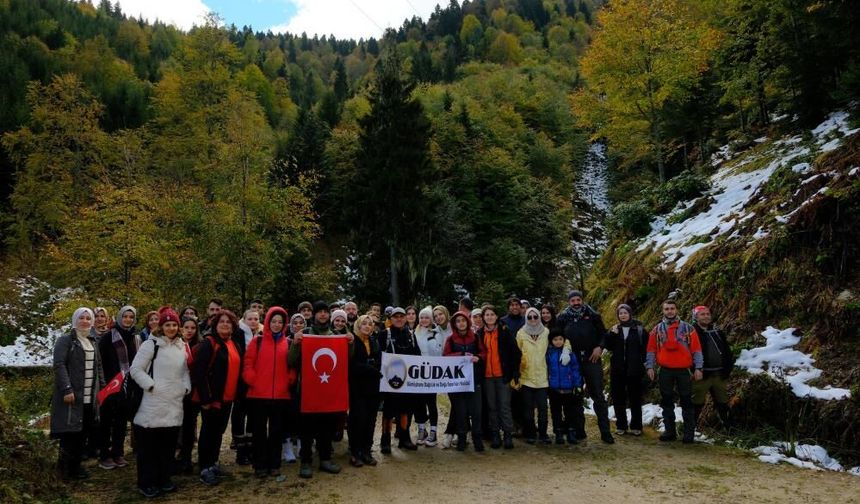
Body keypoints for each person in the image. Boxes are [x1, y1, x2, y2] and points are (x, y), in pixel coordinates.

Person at [130, 308, 190, 498]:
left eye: (174, 324)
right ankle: (146, 482)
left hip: (174, 404)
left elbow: (185, 371)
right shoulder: (151, 345)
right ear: (161, 327)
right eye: (167, 325)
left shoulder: (182, 346)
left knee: (168, 447)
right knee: (149, 449)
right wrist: (151, 386)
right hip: (152, 405)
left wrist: (185, 388)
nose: (171, 328)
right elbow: (136, 369)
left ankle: (164, 479)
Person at [290, 301, 350, 478]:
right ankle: (306, 461)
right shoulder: (305, 334)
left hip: (328, 392)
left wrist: (350, 343)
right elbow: (292, 361)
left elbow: (347, 360)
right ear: (314, 315)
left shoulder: (336, 335)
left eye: (325, 312)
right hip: (308, 391)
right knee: (306, 429)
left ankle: (325, 458)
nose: (323, 315)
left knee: (327, 427)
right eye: (319, 312)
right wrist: (295, 343)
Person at [51, 308, 104, 481]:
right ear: (75, 320)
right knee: (69, 433)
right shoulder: (66, 340)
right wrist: (67, 388)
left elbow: (98, 367)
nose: (85, 321)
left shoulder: (93, 341)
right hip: (73, 395)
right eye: (81, 318)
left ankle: (76, 468)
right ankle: (64, 469)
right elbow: (59, 365)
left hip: (90, 395)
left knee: (83, 432)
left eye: (88, 318)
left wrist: (102, 389)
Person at [556, 290, 614, 444]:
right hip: (573, 360)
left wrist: (600, 347)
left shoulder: (593, 315)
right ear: (569, 302)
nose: (576, 303)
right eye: (573, 300)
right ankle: (579, 430)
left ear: (582, 300)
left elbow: (604, 334)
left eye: (578, 300)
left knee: (598, 395)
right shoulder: (562, 318)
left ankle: (605, 432)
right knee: (576, 395)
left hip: (592, 358)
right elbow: (557, 336)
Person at [193, 310, 244, 485]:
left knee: (219, 432)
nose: (225, 324)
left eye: (228, 322)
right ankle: (205, 467)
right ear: (215, 324)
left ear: (233, 326)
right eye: (221, 321)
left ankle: (213, 463)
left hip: (227, 398)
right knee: (208, 432)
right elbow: (199, 373)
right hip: (211, 399)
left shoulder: (235, 344)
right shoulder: (209, 343)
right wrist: (205, 399)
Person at [243, 307, 293, 479]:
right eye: (274, 321)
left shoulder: (288, 343)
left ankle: (274, 464)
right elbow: (248, 363)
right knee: (259, 432)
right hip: (258, 395)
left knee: (276, 432)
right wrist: (252, 380)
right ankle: (260, 464)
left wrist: (289, 380)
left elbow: (292, 366)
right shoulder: (257, 341)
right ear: (268, 322)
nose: (277, 325)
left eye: (280, 322)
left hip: (280, 395)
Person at [646, 299, 703, 443]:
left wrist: (698, 367)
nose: (669, 311)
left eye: (672, 308)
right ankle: (669, 431)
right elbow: (651, 349)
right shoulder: (657, 329)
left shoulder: (688, 328)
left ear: (676, 310)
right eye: (666, 309)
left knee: (686, 401)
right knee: (666, 401)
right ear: (663, 311)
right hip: (665, 370)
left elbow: (696, 349)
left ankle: (689, 433)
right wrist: (650, 366)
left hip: (684, 370)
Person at [97, 305, 139, 470]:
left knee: (121, 421)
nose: (128, 320)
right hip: (111, 384)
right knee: (107, 421)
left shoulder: (134, 337)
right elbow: (101, 361)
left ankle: (118, 452)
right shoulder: (108, 337)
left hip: (128, 385)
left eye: (131, 317)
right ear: (120, 317)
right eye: (125, 316)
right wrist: (105, 383)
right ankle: (104, 455)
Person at [476, 305, 520, 449]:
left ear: (496, 316)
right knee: (491, 406)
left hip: (503, 375)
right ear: (483, 317)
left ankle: (508, 433)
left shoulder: (504, 331)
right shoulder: (480, 333)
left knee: (505, 406)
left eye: (492, 314)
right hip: (487, 376)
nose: (489, 317)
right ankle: (495, 434)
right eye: (487, 315)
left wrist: (514, 372)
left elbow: (515, 352)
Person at [378, 307, 420, 453]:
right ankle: (385, 440)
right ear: (391, 319)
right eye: (396, 317)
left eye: (402, 316)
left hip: (407, 381)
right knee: (388, 411)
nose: (399, 319)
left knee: (405, 410)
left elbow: (418, 356)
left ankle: (404, 438)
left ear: (405, 318)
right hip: (390, 381)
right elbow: (379, 355)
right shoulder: (384, 334)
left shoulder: (411, 335)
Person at [443, 311, 486, 452]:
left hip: (474, 380)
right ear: (455, 324)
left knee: (476, 411)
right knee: (461, 411)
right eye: (458, 321)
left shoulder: (475, 337)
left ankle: (477, 439)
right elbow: (445, 356)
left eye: (463, 320)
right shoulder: (450, 339)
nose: (461, 323)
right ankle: (461, 438)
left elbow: (483, 353)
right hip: (457, 382)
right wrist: (461, 355)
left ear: (468, 322)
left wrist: (477, 357)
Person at [516, 307, 558, 444]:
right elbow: (516, 353)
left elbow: (560, 341)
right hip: (526, 376)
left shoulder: (546, 332)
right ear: (526, 318)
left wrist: (566, 351)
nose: (533, 319)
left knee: (543, 409)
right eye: (529, 317)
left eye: (535, 317)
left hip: (542, 376)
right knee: (527, 409)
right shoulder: (521, 333)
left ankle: (544, 433)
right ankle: (530, 433)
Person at [605, 304, 648, 436]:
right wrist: (611, 334)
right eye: (620, 313)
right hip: (617, 370)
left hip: (634, 369)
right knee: (618, 398)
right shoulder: (614, 329)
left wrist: (645, 364)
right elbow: (607, 346)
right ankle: (621, 425)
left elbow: (646, 349)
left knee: (635, 398)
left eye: (625, 312)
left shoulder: (639, 329)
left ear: (630, 313)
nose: (623, 315)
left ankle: (636, 426)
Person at [691, 305, 734, 430]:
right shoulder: (691, 333)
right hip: (701, 375)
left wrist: (727, 368)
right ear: (696, 317)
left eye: (708, 314)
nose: (706, 316)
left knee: (722, 402)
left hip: (719, 374)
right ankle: (690, 429)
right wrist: (693, 369)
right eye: (702, 314)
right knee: (696, 402)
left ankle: (729, 429)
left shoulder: (717, 332)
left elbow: (726, 351)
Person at [348, 315, 382, 467]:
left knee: (371, 420)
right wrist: (369, 368)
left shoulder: (374, 341)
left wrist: (375, 367)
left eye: (370, 324)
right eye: (364, 324)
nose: (368, 326)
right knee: (358, 419)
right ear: (358, 325)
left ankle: (367, 451)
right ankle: (355, 452)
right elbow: (351, 364)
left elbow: (381, 361)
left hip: (373, 388)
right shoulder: (353, 341)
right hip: (358, 388)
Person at [232, 309, 263, 463]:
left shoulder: (262, 334)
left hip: (256, 380)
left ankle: (251, 448)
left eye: (256, 319)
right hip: (240, 380)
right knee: (239, 414)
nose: (253, 321)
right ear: (244, 320)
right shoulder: (237, 334)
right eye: (250, 318)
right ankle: (240, 450)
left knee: (253, 414)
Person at [546, 328, 583, 444]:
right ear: (551, 341)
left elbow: (575, 369)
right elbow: (546, 369)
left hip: (568, 387)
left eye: (560, 339)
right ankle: (559, 433)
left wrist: (577, 384)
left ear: (564, 340)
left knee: (569, 412)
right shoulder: (549, 354)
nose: (558, 341)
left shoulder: (570, 353)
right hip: (554, 388)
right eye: (555, 339)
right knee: (556, 411)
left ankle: (571, 432)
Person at [413, 306, 442, 447]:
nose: (424, 320)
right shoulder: (414, 333)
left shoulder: (437, 333)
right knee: (419, 403)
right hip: (418, 373)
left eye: (427, 317)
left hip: (432, 373)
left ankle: (433, 431)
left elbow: (440, 352)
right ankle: (421, 429)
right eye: (422, 317)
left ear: (431, 319)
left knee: (431, 402)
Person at [176, 316, 201, 474]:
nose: (190, 331)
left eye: (193, 328)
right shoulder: (175, 345)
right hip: (175, 392)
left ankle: (186, 458)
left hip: (192, 393)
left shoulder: (200, 346)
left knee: (189, 426)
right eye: (186, 327)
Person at [432, 305, 456, 448]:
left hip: (455, 369)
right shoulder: (434, 332)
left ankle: (451, 432)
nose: (438, 317)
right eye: (435, 316)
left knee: (456, 402)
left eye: (440, 314)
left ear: (446, 314)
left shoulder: (454, 328)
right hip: (441, 370)